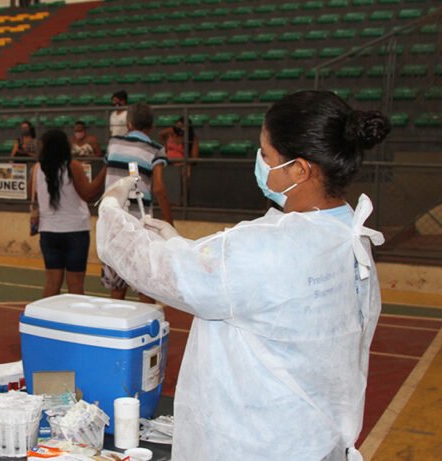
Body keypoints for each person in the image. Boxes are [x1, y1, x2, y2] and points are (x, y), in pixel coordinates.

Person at [96, 90, 391, 460]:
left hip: (255, 443)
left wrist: (111, 210)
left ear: (300, 170)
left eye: (266, 155)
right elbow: (243, 282)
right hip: (313, 438)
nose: (260, 163)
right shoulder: (349, 233)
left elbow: (155, 269)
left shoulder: (269, 248)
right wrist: (182, 246)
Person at [102, 102, 172, 301]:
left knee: (116, 289)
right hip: (139, 227)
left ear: (129, 124)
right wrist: (170, 224)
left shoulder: (113, 143)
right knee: (146, 288)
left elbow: (106, 175)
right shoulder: (156, 149)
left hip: (114, 227)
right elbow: (158, 188)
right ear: (151, 126)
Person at [32, 129, 106, 297]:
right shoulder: (73, 166)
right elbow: (88, 194)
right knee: (76, 285)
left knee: (52, 283)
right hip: (75, 231)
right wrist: (104, 172)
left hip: (49, 230)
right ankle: (74, 315)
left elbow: (35, 194)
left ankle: (46, 314)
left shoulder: (37, 169)